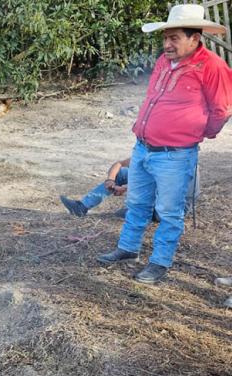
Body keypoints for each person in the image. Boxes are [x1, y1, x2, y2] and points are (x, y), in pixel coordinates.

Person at [97, 4, 232, 284]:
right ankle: (128, 248)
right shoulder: (163, 61)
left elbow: (222, 110)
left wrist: (196, 133)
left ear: (195, 38)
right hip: (144, 147)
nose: (166, 44)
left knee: (169, 212)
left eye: (174, 38)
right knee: (137, 203)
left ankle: (160, 262)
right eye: (165, 37)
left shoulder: (213, 66)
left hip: (175, 155)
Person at [61, 158, 199, 218]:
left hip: (175, 206)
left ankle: (141, 212)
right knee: (121, 174)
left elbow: (156, 184)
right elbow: (120, 164)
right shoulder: (148, 149)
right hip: (159, 194)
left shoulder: (171, 155)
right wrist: (110, 180)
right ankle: (82, 206)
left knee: (124, 214)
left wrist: (124, 188)